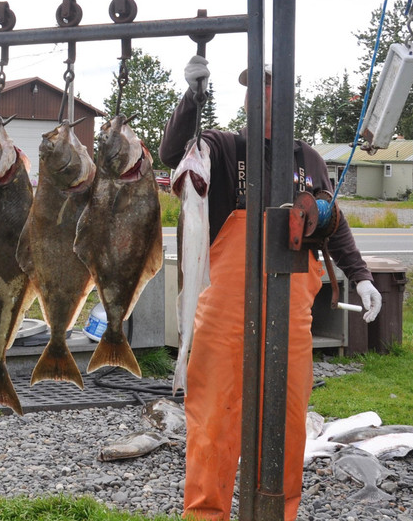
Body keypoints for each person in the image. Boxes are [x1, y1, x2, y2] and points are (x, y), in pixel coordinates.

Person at [159, 57, 383, 521]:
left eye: (266, 87)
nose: (256, 95)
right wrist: (192, 100)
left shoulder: (310, 160)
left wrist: (360, 276)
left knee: (285, 424)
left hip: (291, 318)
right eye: (251, 88)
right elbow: (172, 151)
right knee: (213, 424)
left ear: (286, 99)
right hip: (224, 316)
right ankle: (206, 515)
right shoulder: (221, 147)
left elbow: (333, 223)